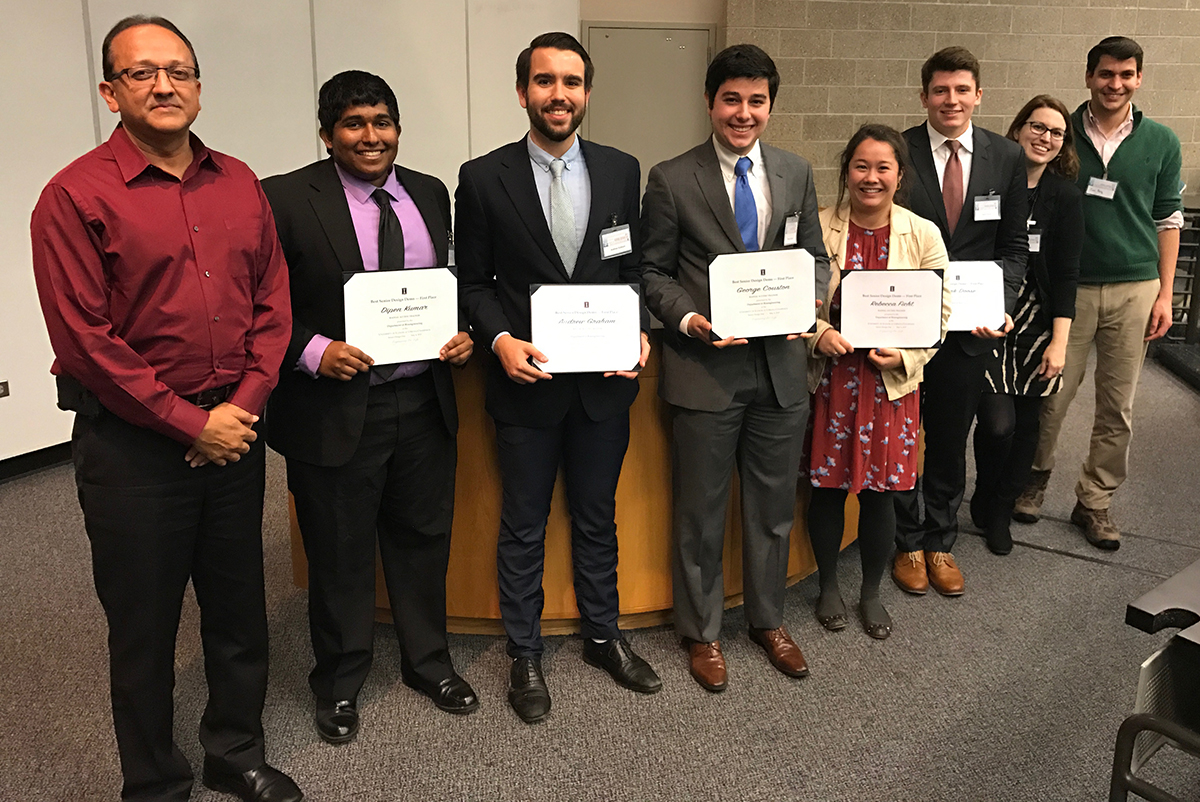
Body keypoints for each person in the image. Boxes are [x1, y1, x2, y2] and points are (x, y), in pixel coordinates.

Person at [29, 16, 302, 802]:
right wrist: (191, 424)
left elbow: (272, 308)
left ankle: (234, 751)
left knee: (238, 611)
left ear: (199, 87)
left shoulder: (241, 182)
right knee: (144, 631)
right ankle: (153, 782)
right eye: (143, 73)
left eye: (178, 71)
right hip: (133, 450)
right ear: (111, 91)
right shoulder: (73, 196)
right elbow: (87, 341)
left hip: (234, 433)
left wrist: (241, 410)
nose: (164, 85)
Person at [261, 70, 478, 744]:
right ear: (327, 134)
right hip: (333, 407)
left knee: (421, 541)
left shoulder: (430, 193)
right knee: (339, 552)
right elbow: (258, 308)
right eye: (354, 123)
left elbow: (447, 287)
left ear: (397, 128)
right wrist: (313, 350)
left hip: (422, 400)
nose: (371, 136)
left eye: (382, 121)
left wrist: (462, 332)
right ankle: (340, 681)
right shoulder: (286, 199)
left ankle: (428, 662)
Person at [456, 32, 659, 724]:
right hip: (527, 383)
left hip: (603, 384)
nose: (559, 95)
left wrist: (635, 330)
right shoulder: (484, 178)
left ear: (587, 93)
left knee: (597, 516)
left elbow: (630, 270)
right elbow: (474, 284)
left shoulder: (622, 169)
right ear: (523, 93)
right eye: (545, 82)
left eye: (571, 82)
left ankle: (603, 635)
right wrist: (501, 338)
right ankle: (524, 652)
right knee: (523, 522)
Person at [641, 44, 830, 691]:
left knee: (773, 508)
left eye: (756, 101)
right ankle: (701, 633)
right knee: (700, 509)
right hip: (705, 370)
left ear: (770, 106)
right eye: (731, 99)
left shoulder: (794, 171)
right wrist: (689, 319)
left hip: (780, 370)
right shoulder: (671, 178)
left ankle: (768, 621)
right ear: (709, 101)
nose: (743, 113)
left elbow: (815, 256)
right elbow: (652, 273)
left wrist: (811, 297)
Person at [1014, 36, 1183, 551]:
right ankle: (1033, 480)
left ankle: (1095, 500)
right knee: (1051, 394)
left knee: (1118, 405)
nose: (1116, 84)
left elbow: (1168, 219)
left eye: (1126, 75)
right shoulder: (1063, 137)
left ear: (1138, 79)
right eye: (1106, 74)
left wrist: (1164, 294)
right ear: (1089, 77)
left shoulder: (1162, 141)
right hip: (1072, 290)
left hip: (1136, 286)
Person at [893, 46, 1027, 597]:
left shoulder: (1007, 157)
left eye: (962, 89)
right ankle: (905, 542)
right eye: (940, 90)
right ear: (924, 95)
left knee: (949, 440)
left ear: (978, 95)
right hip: (904, 325)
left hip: (970, 332)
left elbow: (1014, 247)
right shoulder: (897, 149)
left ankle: (940, 541)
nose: (952, 100)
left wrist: (1003, 304)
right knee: (903, 437)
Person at [807, 125, 950, 640]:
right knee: (825, 489)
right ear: (846, 170)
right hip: (832, 383)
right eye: (861, 166)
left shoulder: (923, 233)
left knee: (880, 495)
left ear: (899, 175)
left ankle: (869, 591)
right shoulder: (818, 227)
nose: (871, 178)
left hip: (890, 386)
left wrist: (908, 355)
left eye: (882, 168)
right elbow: (794, 300)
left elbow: (941, 312)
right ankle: (827, 584)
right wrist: (817, 334)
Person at [972, 96, 1084, 556]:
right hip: (991, 315)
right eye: (1037, 127)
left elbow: (1067, 274)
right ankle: (983, 493)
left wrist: (1060, 344)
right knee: (998, 424)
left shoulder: (1065, 196)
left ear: (1063, 145)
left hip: (1040, 324)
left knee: (1029, 425)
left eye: (1056, 133)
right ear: (1018, 130)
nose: (1045, 138)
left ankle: (999, 509)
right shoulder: (992, 184)